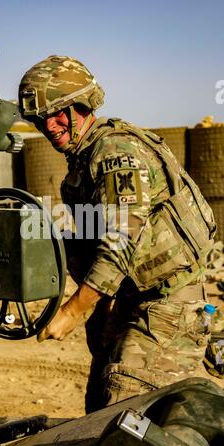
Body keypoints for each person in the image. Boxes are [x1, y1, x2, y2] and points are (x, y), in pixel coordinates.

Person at [18, 55, 218, 413]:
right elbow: (93, 239)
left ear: (82, 105)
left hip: (166, 308)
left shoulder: (115, 152)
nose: (49, 125)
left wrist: (74, 310)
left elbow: (118, 241)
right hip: (131, 300)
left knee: (123, 421)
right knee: (98, 411)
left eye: (59, 112)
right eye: (39, 118)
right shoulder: (83, 160)